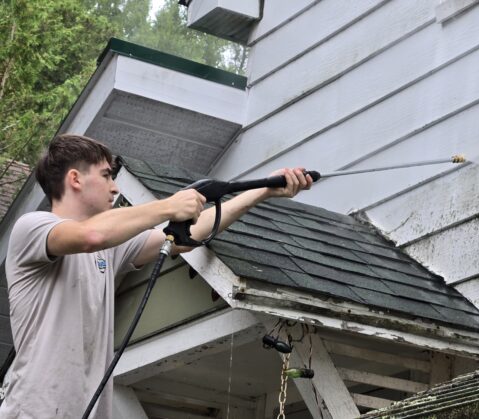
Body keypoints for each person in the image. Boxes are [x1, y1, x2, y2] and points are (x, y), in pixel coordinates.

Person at [0, 134, 312, 419]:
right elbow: (91, 234)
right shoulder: (32, 228)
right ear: (75, 179)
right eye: (107, 175)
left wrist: (264, 190)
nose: (115, 187)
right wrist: (169, 205)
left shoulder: (108, 252)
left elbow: (190, 234)